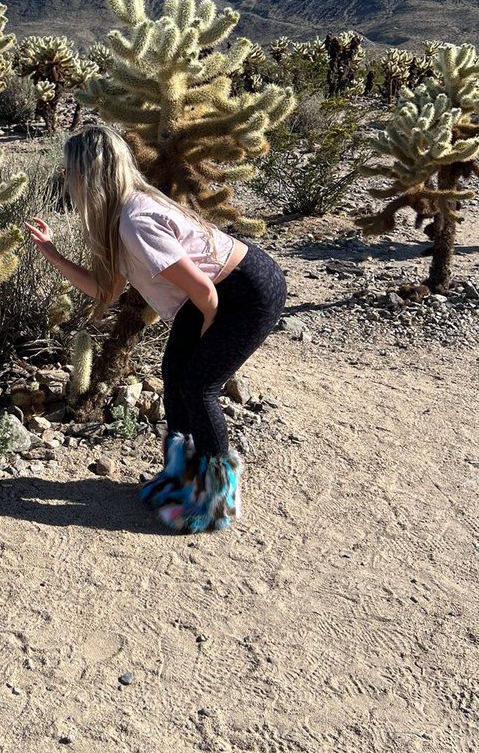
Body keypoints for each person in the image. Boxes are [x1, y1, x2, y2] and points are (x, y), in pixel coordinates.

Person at [24, 123, 287, 535]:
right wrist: (50, 251)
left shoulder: (136, 219)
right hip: (208, 296)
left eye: (70, 170)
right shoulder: (118, 218)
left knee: (199, 385)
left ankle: (216, 500)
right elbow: (104, 290)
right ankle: (180, 478)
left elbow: (204, 291)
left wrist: (205, 337)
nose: (66, 178)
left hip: (244, 293)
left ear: (89, 173)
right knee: (175, 376)